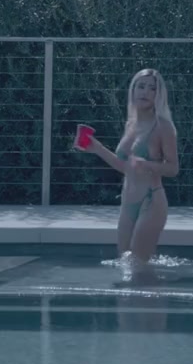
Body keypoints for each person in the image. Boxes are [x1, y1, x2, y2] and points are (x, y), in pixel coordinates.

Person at [76, 69, 178, 270]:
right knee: (126, 264)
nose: (145, 92)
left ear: (158, 95)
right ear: (133, 90)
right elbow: (126, 168)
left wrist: (148, 164)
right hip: (128, 203)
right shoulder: (131, 124)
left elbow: (173, 168)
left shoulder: (163, 127)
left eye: (152, 88)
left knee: (138, 265)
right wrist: (97, 148)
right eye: (141, 86)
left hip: (151, 200)